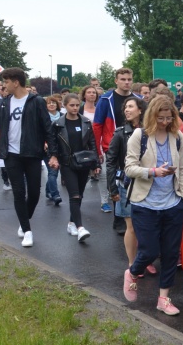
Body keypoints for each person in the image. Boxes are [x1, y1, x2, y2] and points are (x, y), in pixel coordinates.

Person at [0, 68, 59, 248]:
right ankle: (27, 230)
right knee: (18, 192)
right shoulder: (3, 104)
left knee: (34, 194)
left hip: (32, 154)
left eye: (6, 82)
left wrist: (53, 154)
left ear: (16, 82)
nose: (3, 86)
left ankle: (24, 220)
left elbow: (48, 128)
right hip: (11, 156)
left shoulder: (36, 102)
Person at [122, 95, 183, 316]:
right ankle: (132, 273)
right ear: (152, 115)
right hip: (145, 203)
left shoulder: (177, 136)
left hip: (173, 203)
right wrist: (153, 172)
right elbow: (129, 168)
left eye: (169, 118)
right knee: (150, 250)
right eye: (160, 118)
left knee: (170, 253)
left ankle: (164, 298)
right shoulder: (139, 135)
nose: (164, 122)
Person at [107, 96, 149, 271]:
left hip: (147, 182)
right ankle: (133, 263)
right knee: (131, 226)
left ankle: (144, 260)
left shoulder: (150, 131)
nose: (127, 110)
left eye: (131, 106)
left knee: (145, 226)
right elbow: (110, 161)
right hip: (126, 183)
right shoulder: (119, 133)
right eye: (125, 107)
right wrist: (112, 188)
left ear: (140, 110)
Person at [53, 94, 97, 242]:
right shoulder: (58, 124)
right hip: (67, 163)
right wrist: (53, 157)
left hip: (83, 162)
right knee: (74, 195)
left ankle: (71, 223)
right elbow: (53, 144)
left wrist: (95, 163)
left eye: (77, 105)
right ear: (65, 105)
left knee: (80, 195)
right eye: (72, 105)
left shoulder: (85, 122)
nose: (75, 108)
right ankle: (80, 228)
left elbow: (92, 143)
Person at [94, 67, 138, 215]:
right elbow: (97, 125)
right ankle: (118, 217)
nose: (126, 82)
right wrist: (97, 150)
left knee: (133, 177)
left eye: (129, 79)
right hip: (112, 144)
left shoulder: (137, 100)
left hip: (134, 142)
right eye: (123, 79)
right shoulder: (106, 99)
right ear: (116, 81)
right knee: (115, 177)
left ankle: (131, 214)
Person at [44, 95, 63, 206]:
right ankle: (55, 194)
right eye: (49, 103)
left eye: (53, 103)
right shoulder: (42, 117)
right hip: (47, 149)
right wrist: (44, 143)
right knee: (53, 171)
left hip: (60, 148)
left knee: (54, 171)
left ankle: (48, 191)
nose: (51, 105)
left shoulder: (62, 116)